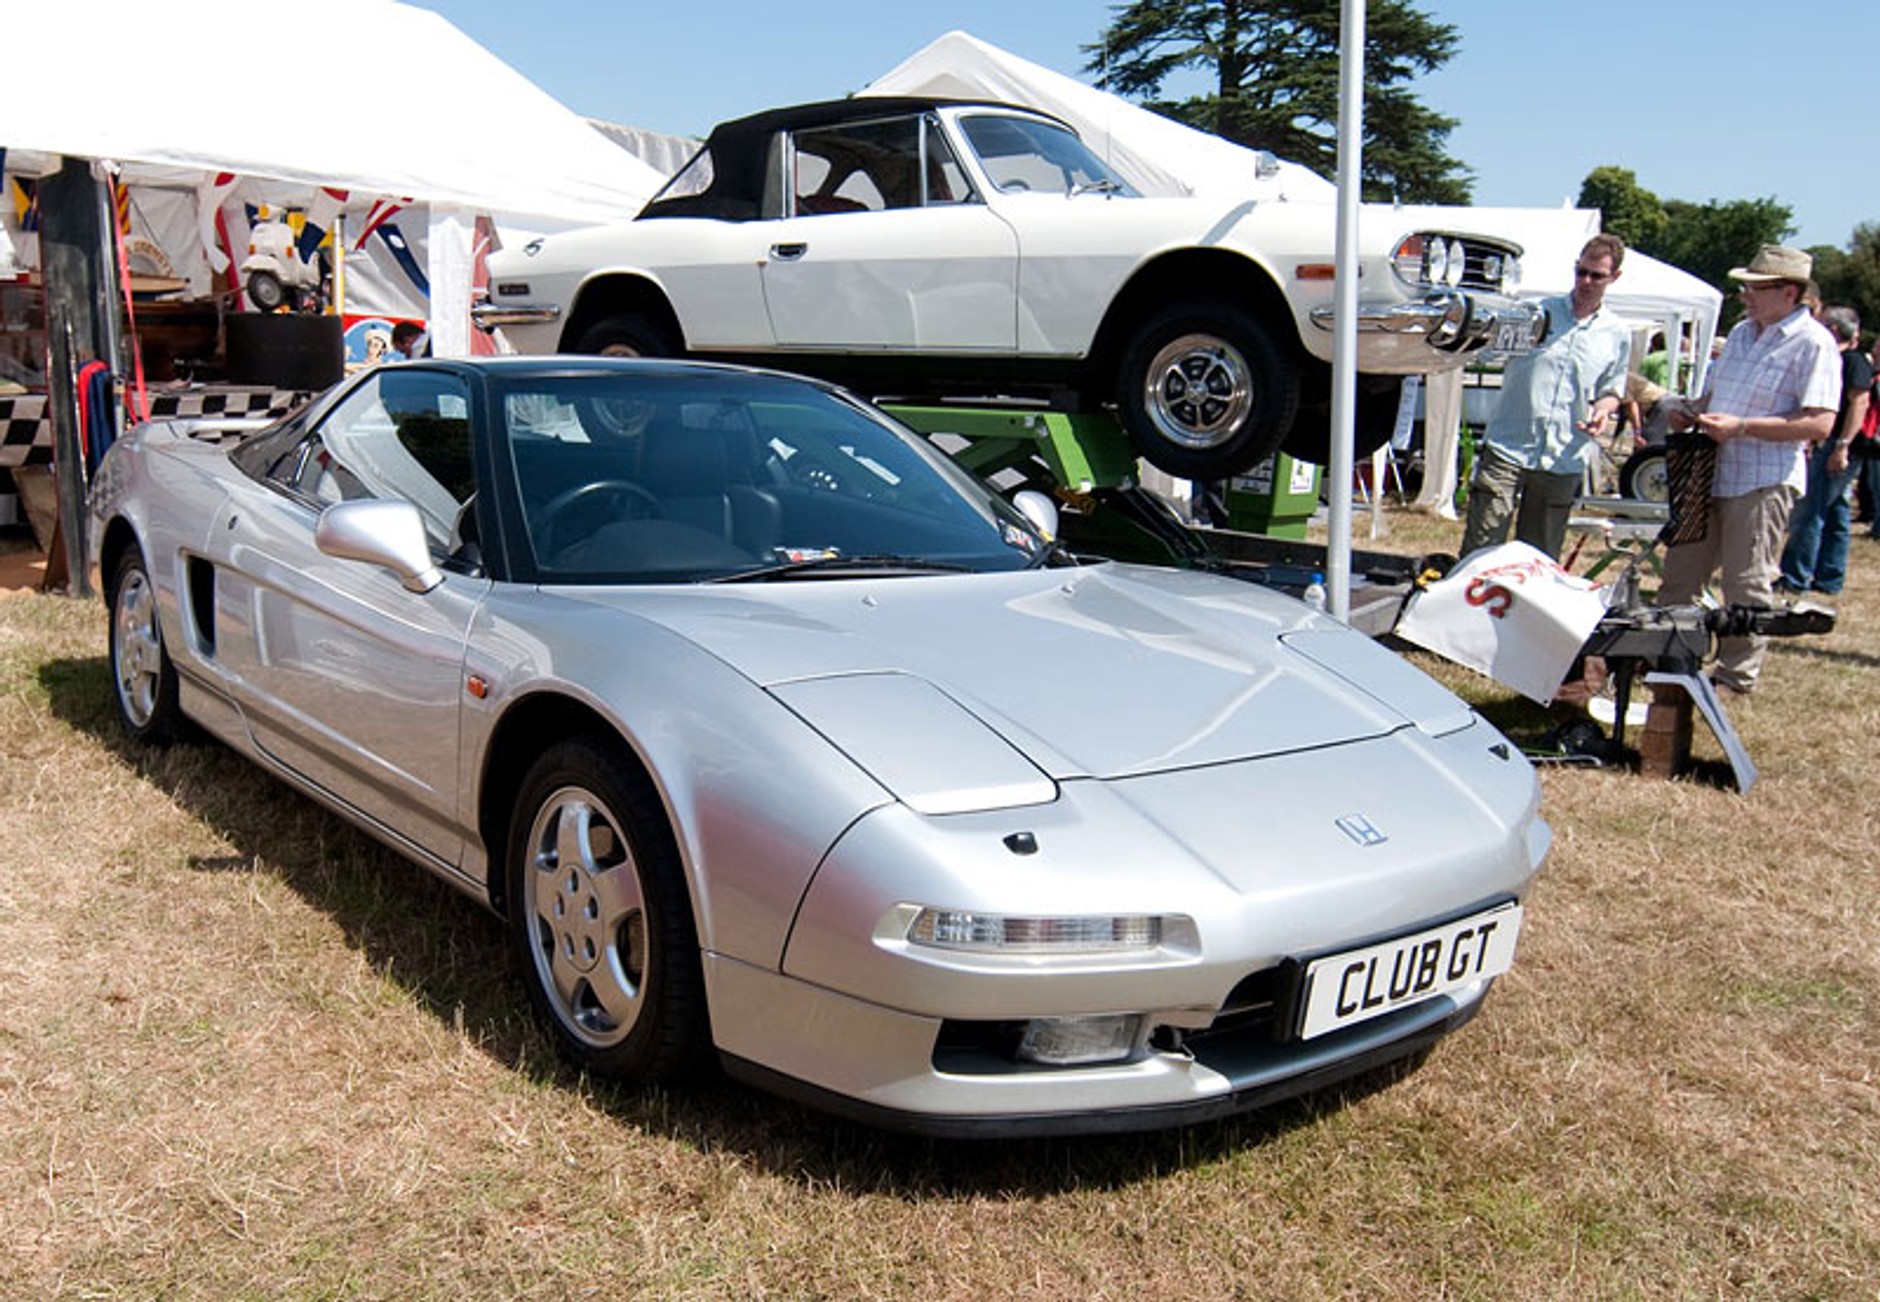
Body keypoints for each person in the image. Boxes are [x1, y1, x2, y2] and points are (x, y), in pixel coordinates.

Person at [1657, 245, 1841, 696]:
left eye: (1757, 288)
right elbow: (1713, 397)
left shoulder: (1814, 343)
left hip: (1763, 479)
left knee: (1746, 580)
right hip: (1709, 471)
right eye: (1746, 286)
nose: (1746, 295)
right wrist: (1690, 411)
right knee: (1682, 571)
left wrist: (1741, 428)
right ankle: (1668, 656)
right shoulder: (1741, 333)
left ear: (1789, 292)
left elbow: (1819, 422)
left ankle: (1735, 677)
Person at [1459, 234, 1632, 558]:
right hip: (1508, 445)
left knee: (1538, 559)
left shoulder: (1617, 333)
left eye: (1597, 275)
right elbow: (1486, 354)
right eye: (1581, 271)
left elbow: (1612, 388)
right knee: (1479, 551)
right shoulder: (1536, 312)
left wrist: (1603, 411)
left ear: (1614, 277)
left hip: (1563, 455)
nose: (1586, 281)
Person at [1776, 306, 1871, 595]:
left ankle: (1795, 578)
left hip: (1839, 445)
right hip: (1837, 445)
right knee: (1835, 514)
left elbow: (1860, 403)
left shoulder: (1852, 361)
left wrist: (1841, 446)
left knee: (1810, 511)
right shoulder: (1842, 360)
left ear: (1832, 329)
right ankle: (1829, 578)